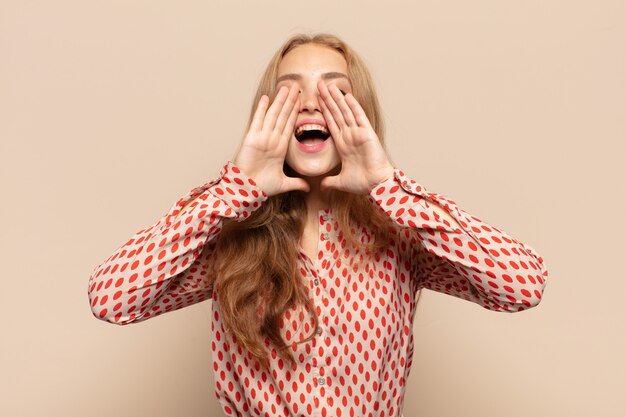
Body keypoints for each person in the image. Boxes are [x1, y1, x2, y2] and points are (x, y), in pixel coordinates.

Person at [88, 32, 548, 417]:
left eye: (333, 92)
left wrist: (388, 185)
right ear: (267, 116)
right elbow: (110, 298)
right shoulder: (226, 230)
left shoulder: (401, 233)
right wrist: (234, 190)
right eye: (291, 92)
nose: (310, 105)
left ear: (359, 113)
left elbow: (522, 285)